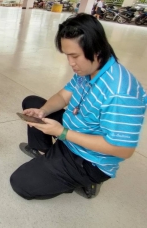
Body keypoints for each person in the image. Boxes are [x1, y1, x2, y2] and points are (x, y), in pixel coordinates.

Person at [10, 14, 146, 200]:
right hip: (71, 132)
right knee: (33, 102)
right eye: (67, 56)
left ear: (96, 50)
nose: (70, 63)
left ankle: (83, 180)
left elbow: (123, 149)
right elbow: (62, 96)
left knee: (20, 183)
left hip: (89, 160)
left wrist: (62, 133)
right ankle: (46, 154)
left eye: (74, 56)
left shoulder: (120, 93)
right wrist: (43, 112)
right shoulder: (88, 70)